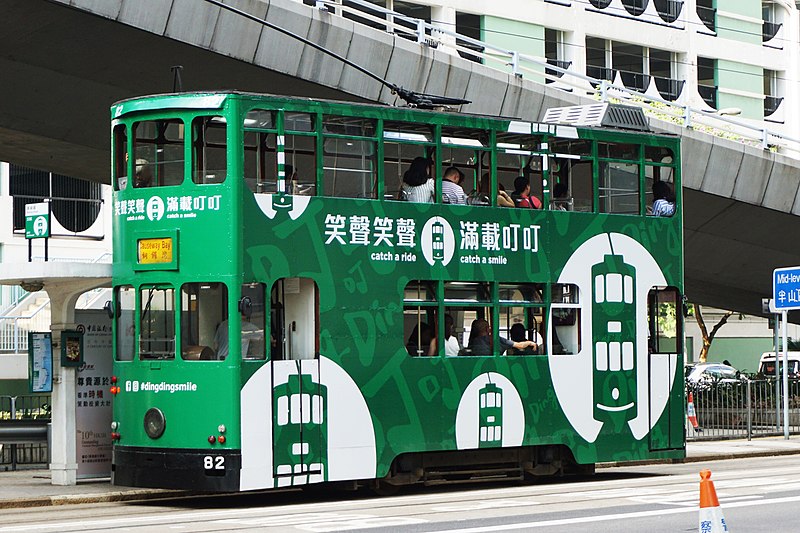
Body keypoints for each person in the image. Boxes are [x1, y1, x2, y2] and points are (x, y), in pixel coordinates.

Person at [467, 318, 536, 356]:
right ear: (487, 329)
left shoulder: (473, 342)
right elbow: (519, 345)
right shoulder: (495, 339)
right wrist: (530, 343)